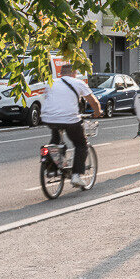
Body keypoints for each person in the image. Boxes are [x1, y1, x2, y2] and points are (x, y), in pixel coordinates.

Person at [41, 60, 102, 189]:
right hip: (69, 119)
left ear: (61, 73)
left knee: (56, 141)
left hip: (49, 118)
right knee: (81, 144)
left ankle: (52, 167)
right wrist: (97, 112)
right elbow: (93, 102)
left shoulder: (51, 83)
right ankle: (76, 175)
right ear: (74, 73)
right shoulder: (78, 83)